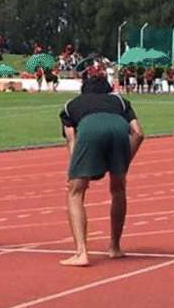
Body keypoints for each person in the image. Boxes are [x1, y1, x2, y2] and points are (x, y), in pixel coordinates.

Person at [59, 75, 144, 266]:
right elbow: (138, 133)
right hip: (119, 128)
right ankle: (115, 247)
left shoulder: (70, 105)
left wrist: (73, 172)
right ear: (108, 89)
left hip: (89, 129)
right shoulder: (120, 101)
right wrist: (124, 163)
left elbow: (72, 140)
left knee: (76, 192)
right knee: (118, 189)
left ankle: (81, 253)